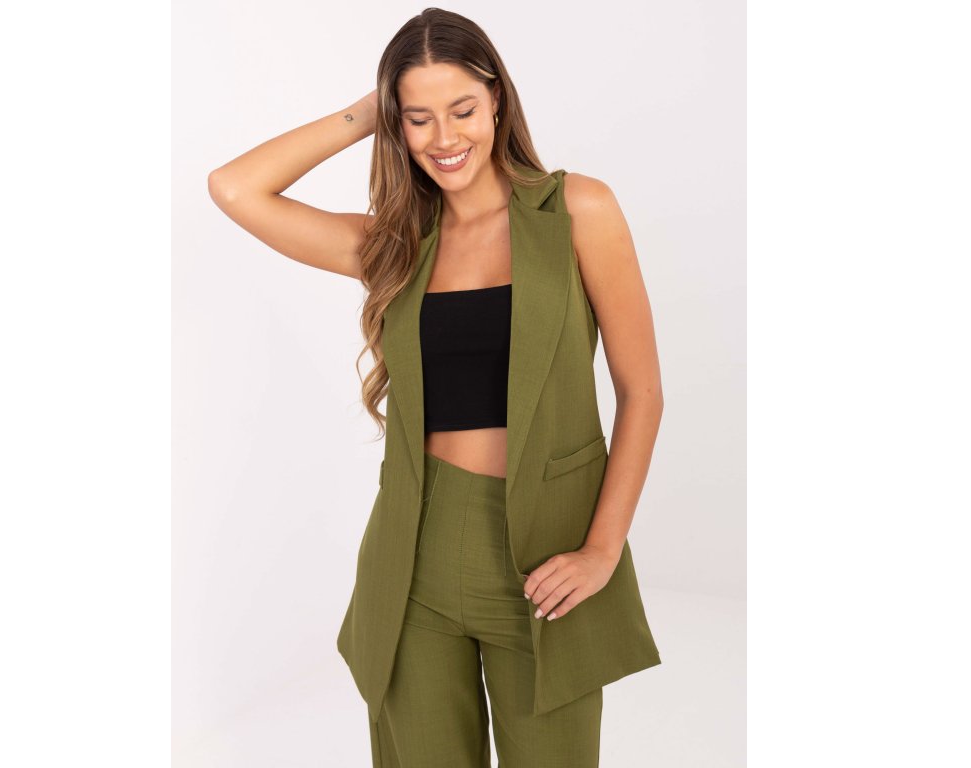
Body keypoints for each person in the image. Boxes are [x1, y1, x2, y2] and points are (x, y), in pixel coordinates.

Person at [208, 8, 663, 767]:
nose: (444, 138)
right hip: (414, 556)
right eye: (418, 118)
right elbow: (234, 189)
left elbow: (641, 389)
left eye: (462, 109)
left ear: (497, 101)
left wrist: (601, 548)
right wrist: (369, 111)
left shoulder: (577, 210)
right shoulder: (394, 243)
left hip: (545, 557)